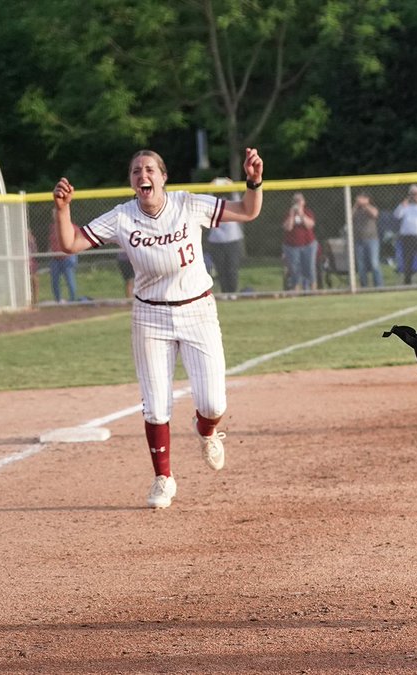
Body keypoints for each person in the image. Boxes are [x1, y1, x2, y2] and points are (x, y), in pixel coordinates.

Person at [51, 148, 265, 509]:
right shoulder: (122, 217)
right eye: (136, 170)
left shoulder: (187, 204)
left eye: (149, 169)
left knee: (213, 402)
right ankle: (163, 478)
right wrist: (62, 209)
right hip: (150, 317)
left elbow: (248, 210)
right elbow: (70, 244)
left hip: (198, 310)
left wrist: (254, 180)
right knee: (155, 405)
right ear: (133, 182)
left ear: (163, 177)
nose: (142, 175)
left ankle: (207, 431)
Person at [204, 178, 246, 294]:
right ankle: (224, 292)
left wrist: (231, 186)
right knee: (220, 269)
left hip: (233, 240)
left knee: (232, 269)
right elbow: (207, 202)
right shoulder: (213, 205)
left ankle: (232, 293)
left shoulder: (232, 204)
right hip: (216, 241)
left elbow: (239, 201)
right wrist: (211, 188)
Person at [282, 192, 317, 291]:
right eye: (295, 200)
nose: (297, 202)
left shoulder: (308, 212)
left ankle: (313, 289)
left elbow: (310, 225)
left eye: (299, 200)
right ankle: (296, 289)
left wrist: (301, 214)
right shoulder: (288, 213)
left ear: (304, 202)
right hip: (292, 246)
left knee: (309, 267)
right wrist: (292, 214)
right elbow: (288, 227)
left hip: (308, 244)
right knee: (294, 269)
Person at [352, 193, 383, 287]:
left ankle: (379, 286)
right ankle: (364, 286)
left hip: (372, 240)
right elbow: (349, 217)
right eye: (359, 198)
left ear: (368, 199)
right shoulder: (356, 209)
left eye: (363, 198)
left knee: (374, 264)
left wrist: (365, 205)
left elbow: (375, 214)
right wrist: (356, 205)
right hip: (359, 241)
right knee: (361, 266)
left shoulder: (371, 207)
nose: (360, 200)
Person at [47, 220, 79, 302]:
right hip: (55, 258)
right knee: (55, 281)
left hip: (67, 257)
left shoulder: (71, 226)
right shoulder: (53, 227)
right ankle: (58, 300)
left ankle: (73, 299)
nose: (55, 217)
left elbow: (78, 238)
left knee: (69, 279)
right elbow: (51, 241)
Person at [27, 229, 40, 306]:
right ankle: (29, 299)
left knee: (35, 280)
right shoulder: (18, 242)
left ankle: (36, 300)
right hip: (22, 265)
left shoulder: (31, 242)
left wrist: (31, 241)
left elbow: (35, 251)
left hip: (32, 264)